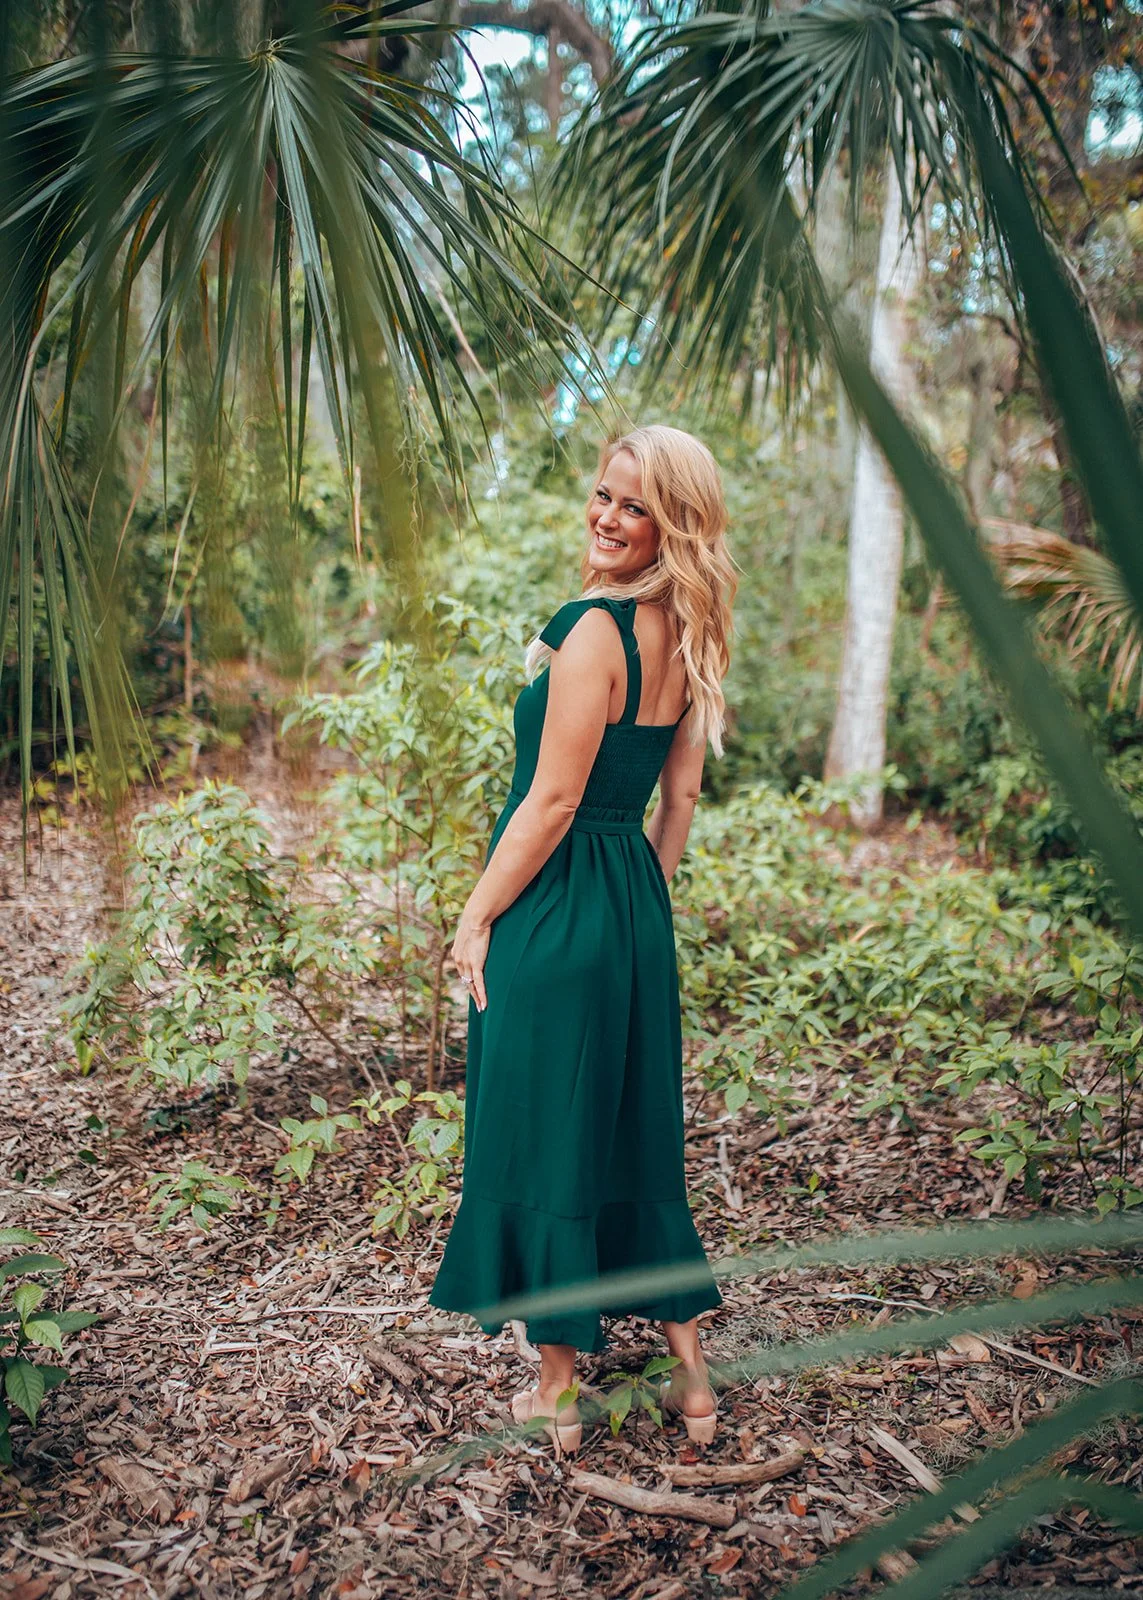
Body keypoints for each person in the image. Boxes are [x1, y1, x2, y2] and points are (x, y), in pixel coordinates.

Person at [429, 424, 736, 1455]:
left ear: (671, 524)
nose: (608, 517)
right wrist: (638, 905)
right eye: (604, 495)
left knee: (547, 1134)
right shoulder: (687, 630)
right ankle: (694, 1385)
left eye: (634, 505)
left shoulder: (592, 630)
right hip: (634, 908)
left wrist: (476, 915)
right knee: (639, 1139)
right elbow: (679, 795)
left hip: (556, 908)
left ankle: (558, 1397)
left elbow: (553, 799)